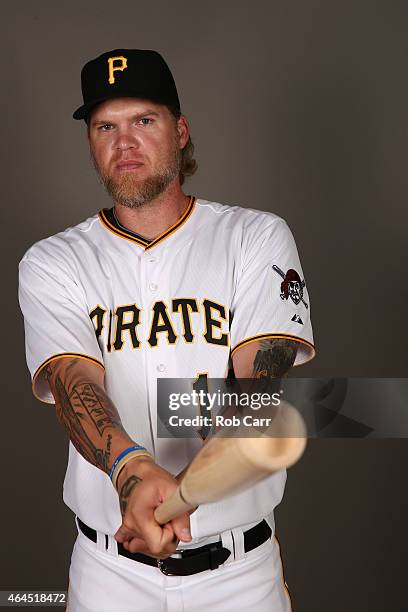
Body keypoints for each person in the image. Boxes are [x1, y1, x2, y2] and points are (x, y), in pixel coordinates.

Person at [18, 48, 315, 612]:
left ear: (180, 130)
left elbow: (260, 386)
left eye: (143, 121)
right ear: (90, 143)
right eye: (105, 126)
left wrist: (182, 493)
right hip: (109, 572)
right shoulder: (53, 261)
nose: (124, 142)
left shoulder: (254, 237)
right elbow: (72, 380)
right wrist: (132, 473)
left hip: (238, 575)